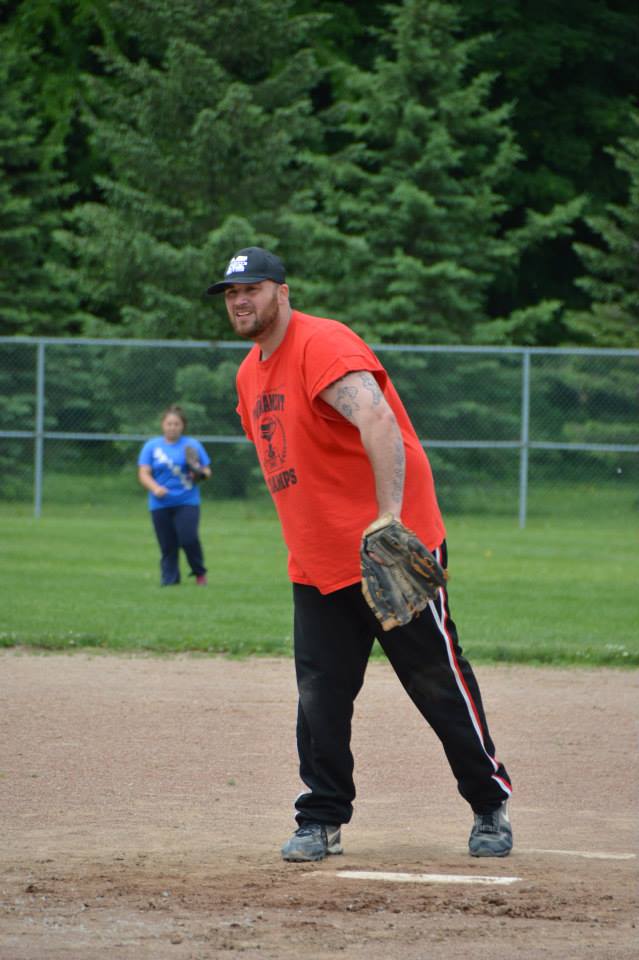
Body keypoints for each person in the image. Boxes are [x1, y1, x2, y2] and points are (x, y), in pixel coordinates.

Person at [207, 246, 513, 862]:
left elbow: (376, 420)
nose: (240, 301)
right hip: (318, 563)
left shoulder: (324, 345)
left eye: (253, 288)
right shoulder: (248, 374)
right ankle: (320, 819)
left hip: (388, 551)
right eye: (231, 293)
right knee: (320, 692)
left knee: (434, 681)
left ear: (283, 292)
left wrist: (389, 517)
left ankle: (488, 804)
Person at [137, 405, 211, 586]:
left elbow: (207, 471)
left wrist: (200, 474)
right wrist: (155, 488)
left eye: (176, 424)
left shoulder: (192, 445)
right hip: (160, 502)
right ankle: (170, 580)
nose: (172, 427)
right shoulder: (152, 446)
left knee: (188, 538)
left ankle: (199, 571)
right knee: (167, 544)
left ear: (182, 426)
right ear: (163, 425)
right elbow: (143, 473)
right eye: (169, 423)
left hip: (187, 500)